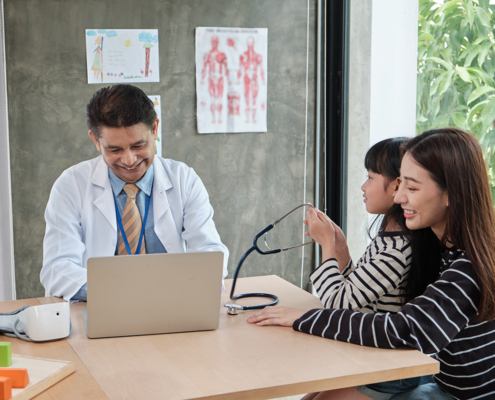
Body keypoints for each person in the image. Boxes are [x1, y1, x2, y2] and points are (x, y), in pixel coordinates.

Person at [248, 128, 495, 400]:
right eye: (400, 184)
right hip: (442, 384)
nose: (399, 197)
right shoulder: (436, 247)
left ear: (452, 194)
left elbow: (404, 330)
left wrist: (303, 318)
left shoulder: (467, 267)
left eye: (411, 187)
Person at [41, 84, 229, 302]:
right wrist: (126, 292)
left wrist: (183, 286)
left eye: (139, 145)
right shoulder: (71, 185)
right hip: (102, 304)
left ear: (155, 129)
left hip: (172, 303)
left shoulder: (184, 179)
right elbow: (57, 269)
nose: (129, 160)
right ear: (95, 140)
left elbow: (211, 254)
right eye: (114, 150)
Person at [308, 138, 412, 317]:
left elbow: (337, 304)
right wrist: (340, 249)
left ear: (397, 185)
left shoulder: (397, 252)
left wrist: (327, 245)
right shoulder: (389, 238)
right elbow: (356, 294)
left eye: (370, 177)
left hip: (369, 343)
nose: (363, 187)